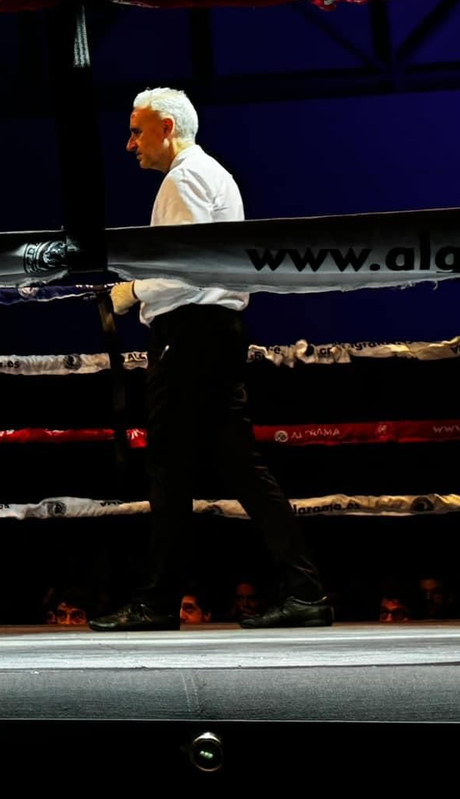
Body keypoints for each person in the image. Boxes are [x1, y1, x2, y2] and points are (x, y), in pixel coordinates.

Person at [91, 88, 331, 633]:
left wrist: (126, 294)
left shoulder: (184, 178)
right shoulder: (210, 174)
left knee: (172, 472)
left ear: (167, 128)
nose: (129, 143)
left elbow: (186, 270)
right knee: (239, 467)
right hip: (211, 335)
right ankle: (305, 589)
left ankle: (157, 603)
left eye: (137, 130)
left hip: (191, 335)